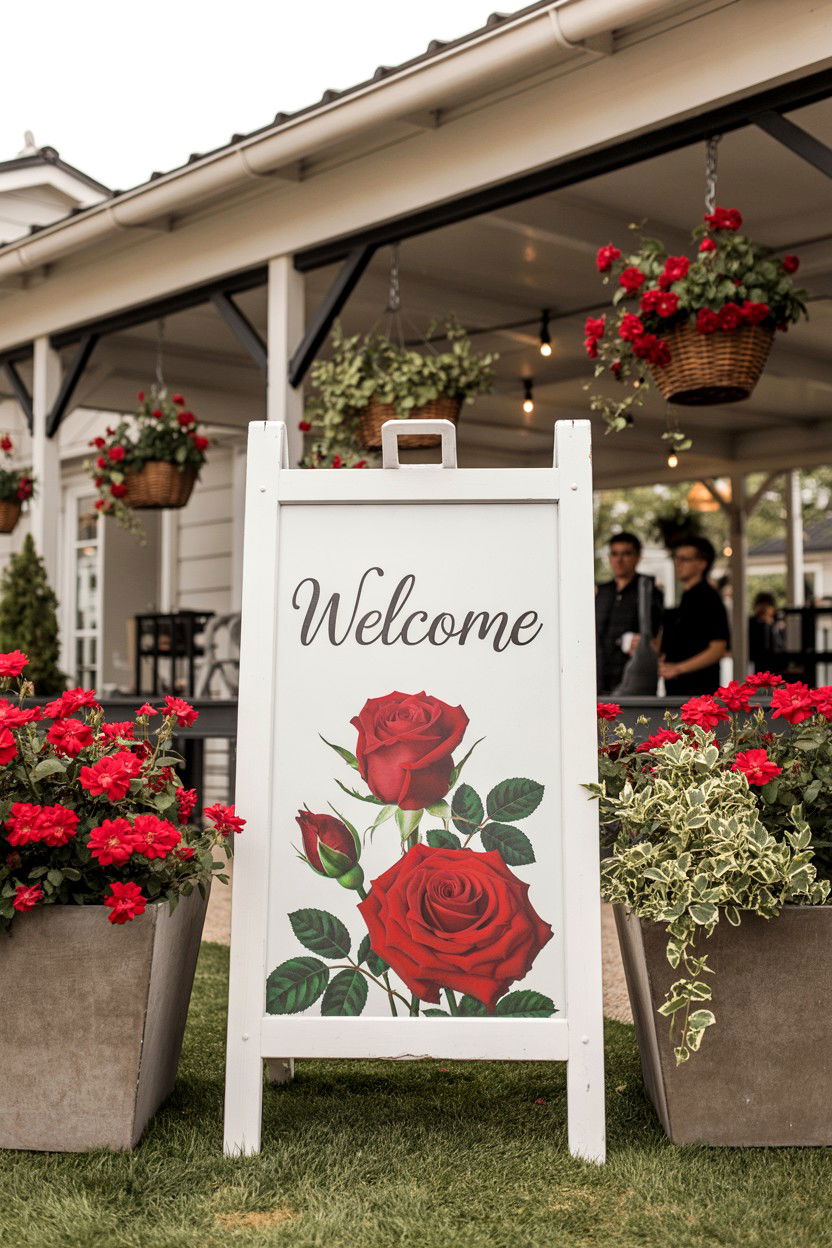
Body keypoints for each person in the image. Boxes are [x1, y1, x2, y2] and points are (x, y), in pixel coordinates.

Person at [659, 536, 730, 696]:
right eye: (677, 558)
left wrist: (678, 668)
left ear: (702, 564)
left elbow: (718, 649)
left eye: (685, 559)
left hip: (698, 693)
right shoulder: (686, 597)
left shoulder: (709, 598)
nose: (678, 563)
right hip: (677, 691)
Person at [595, 531, 662, 694]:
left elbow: (656, 638)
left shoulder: (648, 590)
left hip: (633, 678)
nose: (619, 560)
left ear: (638, 557)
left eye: (626, 554)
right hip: (599, 677)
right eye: (615, 554)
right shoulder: (601, 591)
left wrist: (643, 643)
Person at [748, 590, 784, 674]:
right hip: (757, 662)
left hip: (775, 663)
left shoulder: (777, 622)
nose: (764, 609)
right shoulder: (751, 622)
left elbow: (780, 644)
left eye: (767, 606)